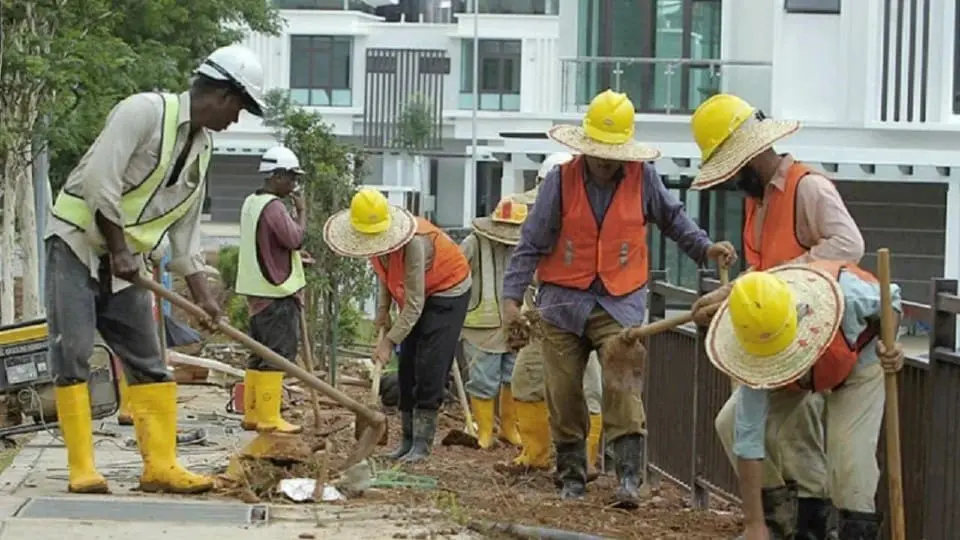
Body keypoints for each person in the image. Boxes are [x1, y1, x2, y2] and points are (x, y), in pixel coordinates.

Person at [46, 44, 266, 495]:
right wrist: (118, 249)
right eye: (239, 109)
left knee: (149, 359)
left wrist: (203, 296)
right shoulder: (143, 112)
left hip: (128, 263)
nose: (236, 120)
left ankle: (160, 467)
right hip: (76, 243)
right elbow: (98, 181)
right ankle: (82, 468)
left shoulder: (203, 150)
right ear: (222, 94)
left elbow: (186, 235)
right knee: (75, 351)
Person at [501, 89, 737, 508]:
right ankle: (572, 474)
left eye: (613, 151)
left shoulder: (643, 178)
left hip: (619, 299)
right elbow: (531, 242)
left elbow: (673, 220)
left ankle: (628, 477)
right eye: (599, 151)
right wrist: (511, 299)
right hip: (563, 301)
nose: (605, 160)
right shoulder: (560, 181)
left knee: (623, 381)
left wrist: (704, 249)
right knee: (563, 387)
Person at [689, 93, 866, 535]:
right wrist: (731, 294)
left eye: (732, 168)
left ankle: (807, 523)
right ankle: (774, 523)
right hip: (777, 336)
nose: (731, 180)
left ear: (752, 153)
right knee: (736, 426)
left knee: (824, 455)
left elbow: (849, 246)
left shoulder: (809, 188)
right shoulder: (758, 201)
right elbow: (762, 270)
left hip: (823, 335)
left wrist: (787, 278)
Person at [694, 262, 904, 540]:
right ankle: (783, 525)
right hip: (796, 374)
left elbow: (892, 300)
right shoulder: (754, 341)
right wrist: (754, 524)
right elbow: (748, 438)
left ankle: (855, 532)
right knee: (730, 423)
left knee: (849, 464)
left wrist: (890, 344)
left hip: (859, 361)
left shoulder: (848, 294)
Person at [323, 188, 471, 463]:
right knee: (407, 366)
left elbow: (414, 303)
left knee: (430, 365)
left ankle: (422, 445)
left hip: (447, 289)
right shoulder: (370, 240)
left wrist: (389, 341)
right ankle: (405, 440)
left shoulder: (413, 243)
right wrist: (382, 312)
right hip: (416, 293)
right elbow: (385, 275)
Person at [495, 154, 604, 479]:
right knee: (527, 380)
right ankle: (536, 455)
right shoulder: (539, 227)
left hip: (582, 318)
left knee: (587, 387)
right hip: (543, 317)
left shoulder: (587, 224)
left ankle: (585, 460)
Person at [236, 145, 313, 435]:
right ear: (277, 175)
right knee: (277, 354)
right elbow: (294, 239)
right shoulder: (274, 207)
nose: (294, 185)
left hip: (257, 288)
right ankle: (269, 417)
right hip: (275, 291)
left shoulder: (251, 202)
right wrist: (302, 212)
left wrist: (293, 260)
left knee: (259, 352)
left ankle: (254, 414)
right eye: (291, 178)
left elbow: (265, 244)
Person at [459, 195, 525, 449]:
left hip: (515, 324)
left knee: (513, 377)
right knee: (483, 378)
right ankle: (485, 431)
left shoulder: (523, 246)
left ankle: (509, 428)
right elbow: (455, 275)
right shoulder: (473, 243)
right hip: (480, 326)